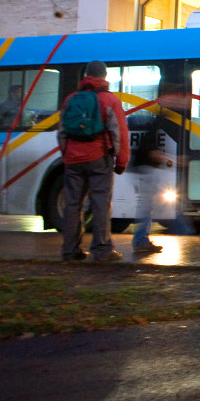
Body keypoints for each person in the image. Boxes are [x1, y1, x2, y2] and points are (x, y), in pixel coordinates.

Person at [58, 60, 130, 263]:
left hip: (73, 159)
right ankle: (102, 249)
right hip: (99, 159)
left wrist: (67, 155)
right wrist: (121, 161)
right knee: (100, 203)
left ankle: (70, 251)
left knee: (72, 205)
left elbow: (62, 132)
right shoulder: (110, 100)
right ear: (104, 77)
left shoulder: (71, 99)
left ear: (86, 76)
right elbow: (120, 135)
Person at [130, 84, 184, 254]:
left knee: (147, 207)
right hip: (146, 169)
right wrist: (175, 159)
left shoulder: (159, 118)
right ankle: (140, 240)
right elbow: (152, 152)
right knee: (147, 207)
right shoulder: (160, 120)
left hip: (145, 168)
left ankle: (141, 240)